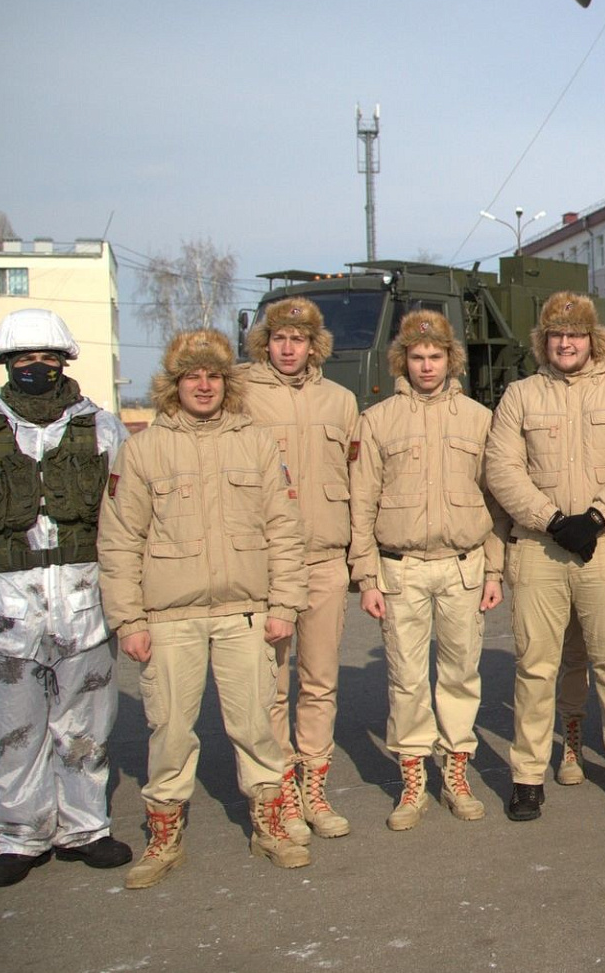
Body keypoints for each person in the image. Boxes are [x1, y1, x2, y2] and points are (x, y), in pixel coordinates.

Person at [0, 309, 131, 888]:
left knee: (85, 726)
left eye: (47, 358)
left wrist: (135, 600)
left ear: (63, 362)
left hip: (86, 602)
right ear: (7, 364)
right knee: (11, 731)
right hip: (2, 607)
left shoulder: (103, 429)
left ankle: (85, 829)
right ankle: (20, 836)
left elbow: (133, 516)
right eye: (24, 359)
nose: (36, 367)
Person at [98, 329, 310, 888]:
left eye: (214, 375)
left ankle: (270, 826)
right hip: (169, 619)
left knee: (255, 725)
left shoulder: (257, 444)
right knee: (169, 731)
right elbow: (119, 540)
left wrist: (284, 603)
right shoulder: (142, 450)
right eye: (192, 375)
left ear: (227, 382)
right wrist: (128, 620)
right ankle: (164, 837)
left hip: (246, 613)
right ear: (174, 384)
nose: (204, 384)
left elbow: (285, 531)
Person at [486, 292, 605, 820]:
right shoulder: (519, 395)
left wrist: (599, 516)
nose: (566, 343)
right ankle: (527, 776)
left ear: (592, 339)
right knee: (536, 668)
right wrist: (554, 521)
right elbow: (502, 469)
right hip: (540, 550)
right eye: (557, 335)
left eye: (576, 334)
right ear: (544, 340)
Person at [348, 310, 504, 830]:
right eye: (417, 357)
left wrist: (494, 572)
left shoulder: (479, 419)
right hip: (402, 569)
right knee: (407, 679)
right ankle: (413, 778)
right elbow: (362, 501)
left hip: (463, 565)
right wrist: (367, 577)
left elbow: (496, 501)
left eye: (435, 356)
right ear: (403, 361)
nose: (426, 365)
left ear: (450, 359)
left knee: (461, 674)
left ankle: (456, 771)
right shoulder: (378, 420)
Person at [239, 297, 359, 841]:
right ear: (266, 342)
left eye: (299, 339)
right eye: (279, 338)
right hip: (265, 564)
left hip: (326, 560)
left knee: (319, 682)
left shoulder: (340, 400)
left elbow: (359, 484)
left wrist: (361, 562)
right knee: (270, 684)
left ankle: (315, 786)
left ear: (315, 346)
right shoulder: (240, 393)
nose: (289, 348)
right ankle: (278, 789)